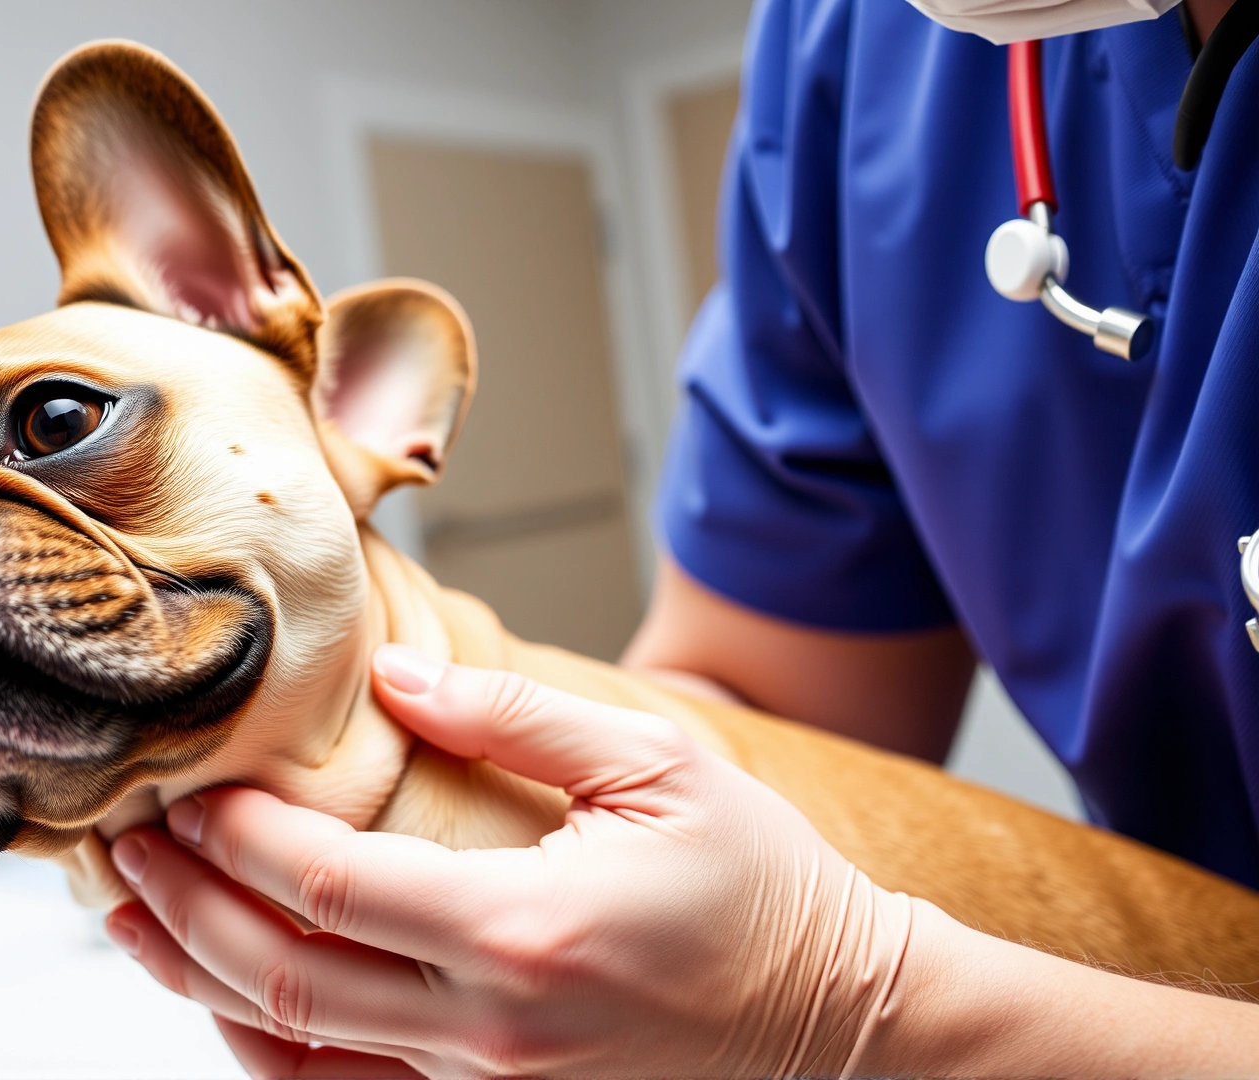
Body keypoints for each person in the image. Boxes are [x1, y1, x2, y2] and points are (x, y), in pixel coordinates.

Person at [103, 0, 1259, 1073]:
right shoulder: (862, 46)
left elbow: (829, 998)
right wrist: (541, 954)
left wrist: (844, 1006)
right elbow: (757, 708)